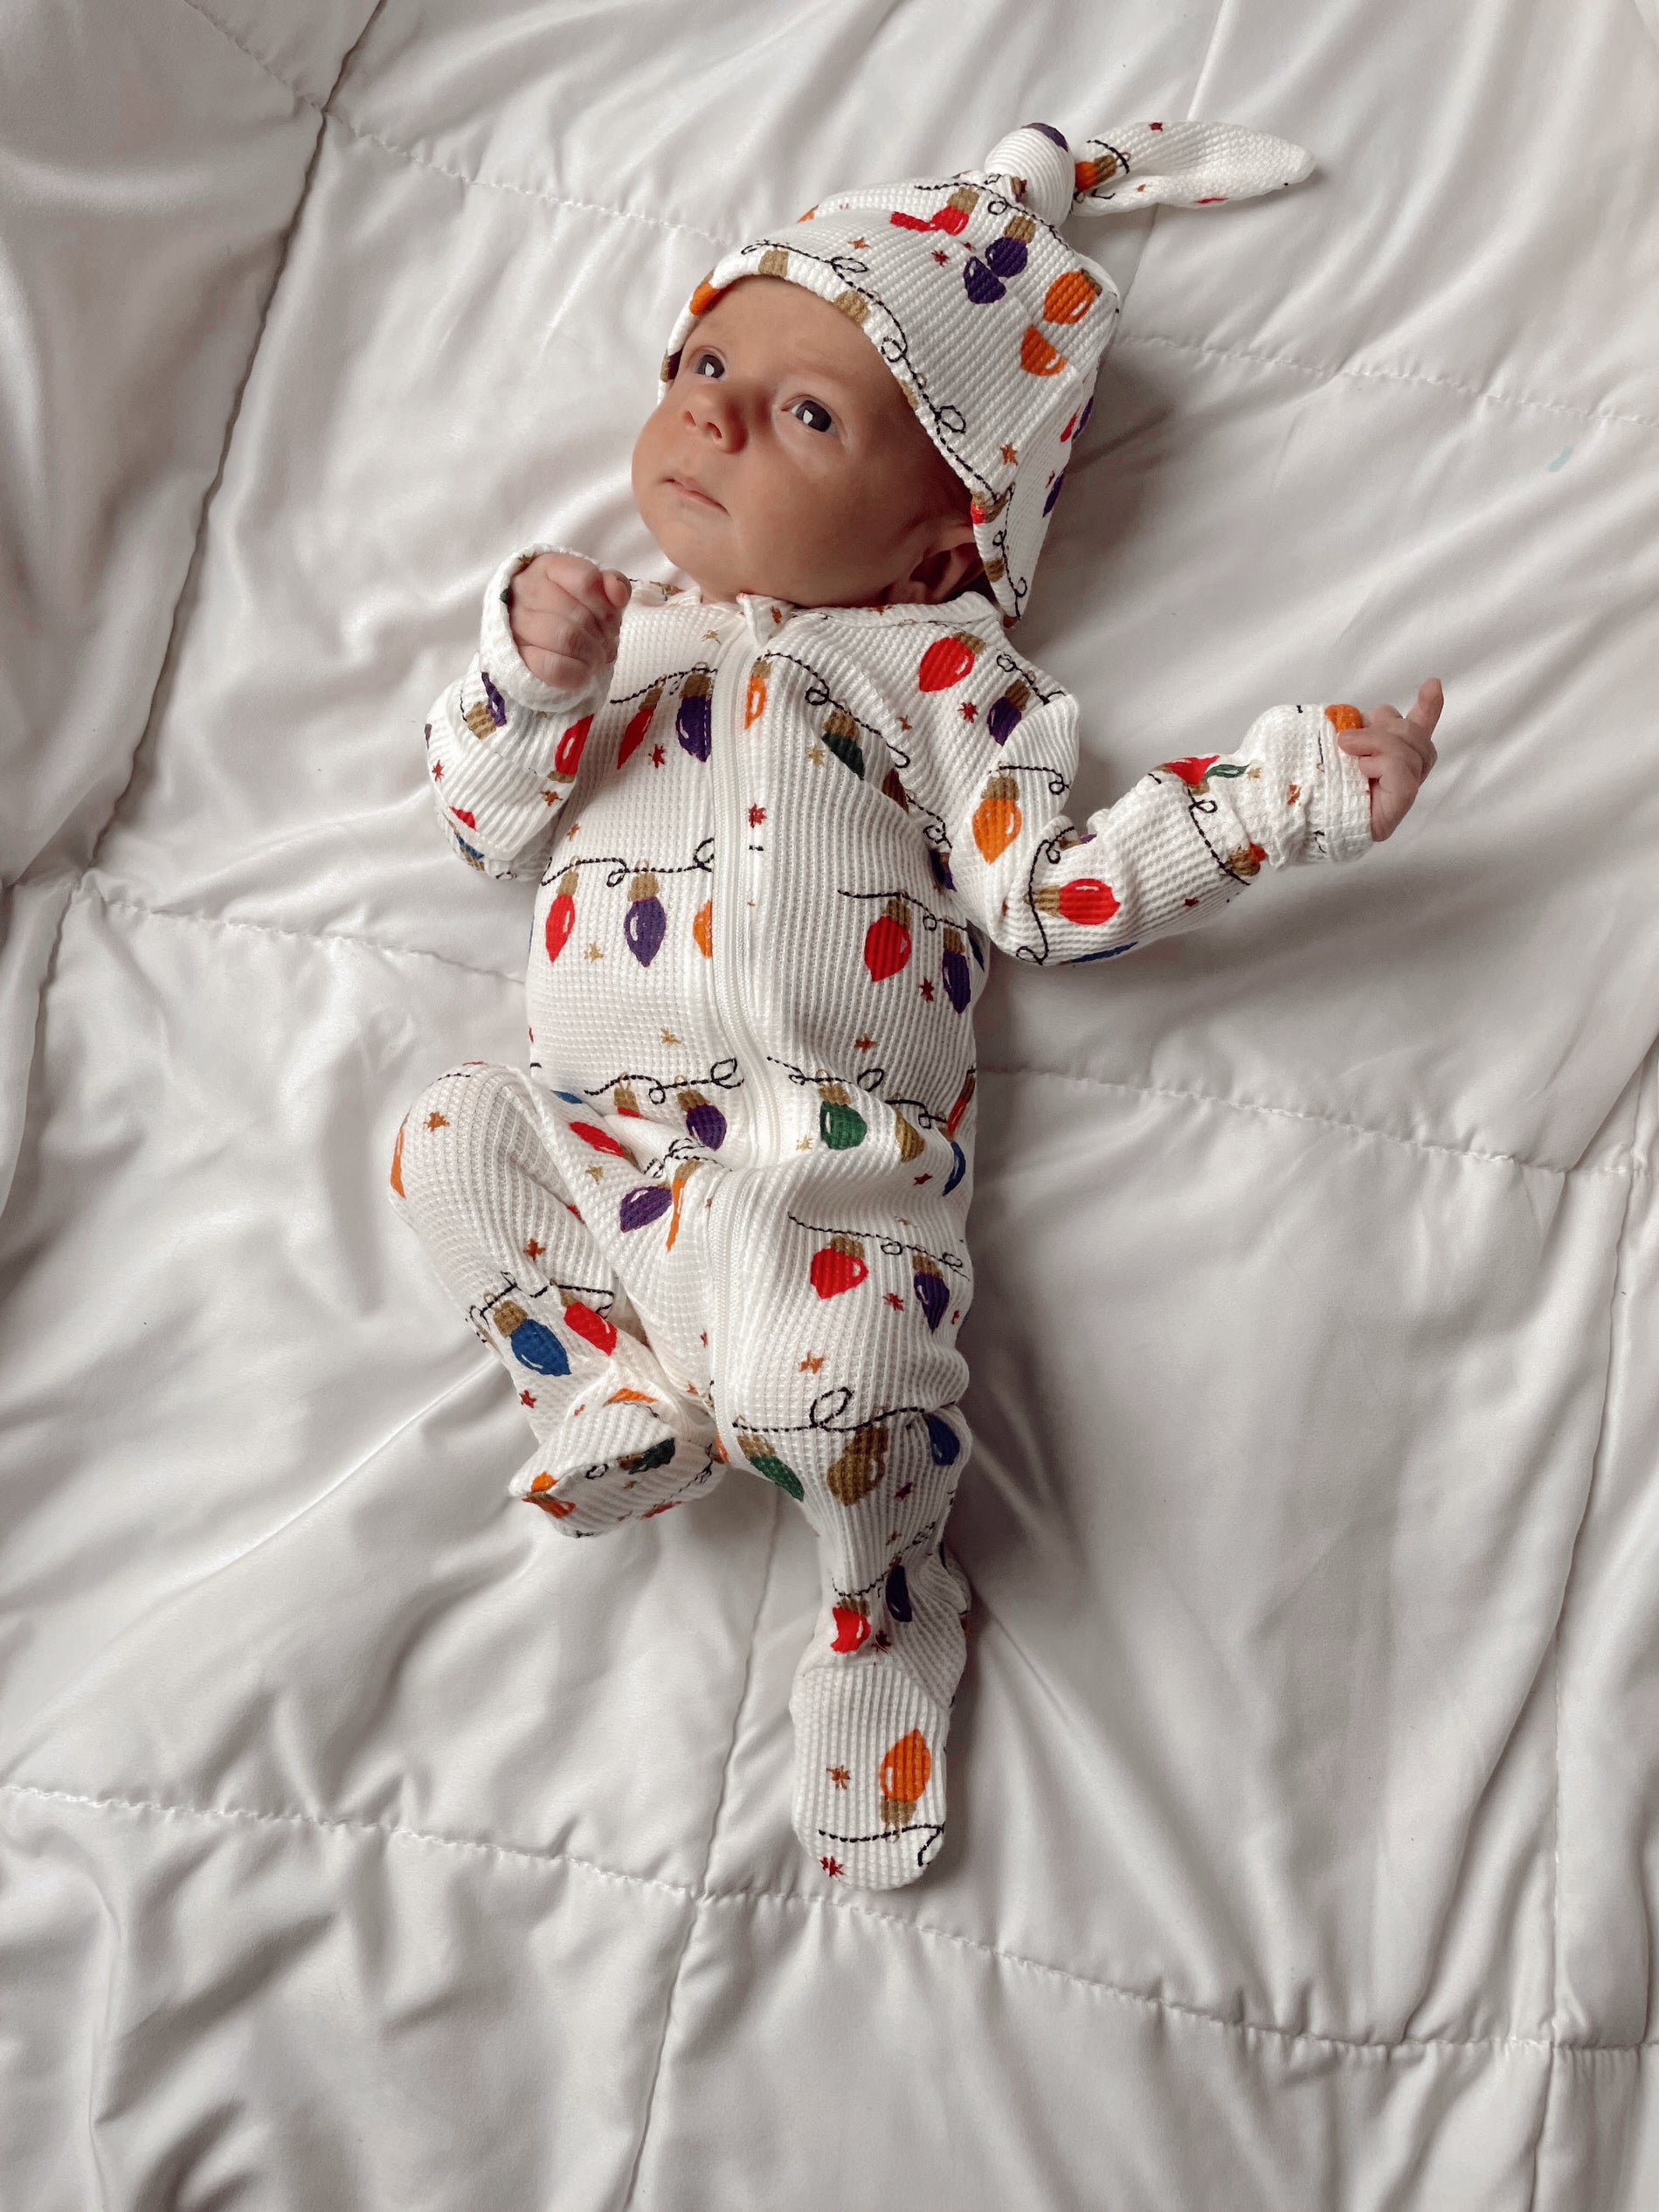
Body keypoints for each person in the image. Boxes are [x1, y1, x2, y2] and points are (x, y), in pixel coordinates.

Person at [387, 121, 1442, 1890]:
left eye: (805, 416)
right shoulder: (613, 637)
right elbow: (481, 826)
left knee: (851, 1403)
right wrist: (522, 676)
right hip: (606, 1143)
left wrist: (1278, 797)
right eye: (708, 365)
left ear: (939, 535)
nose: (715, 417)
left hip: (838, 1178)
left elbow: (1049, 895)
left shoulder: (941, 673)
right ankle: (598, 1380)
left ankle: (877, 1609)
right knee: (439, 1140)